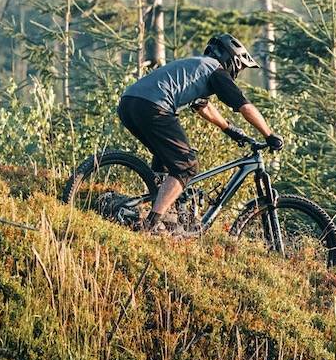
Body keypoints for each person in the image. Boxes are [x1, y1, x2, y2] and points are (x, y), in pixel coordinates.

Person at [117, 33, 283, 232]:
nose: (237, 72)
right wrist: (269, 135)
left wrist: (230, 130)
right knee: (186, 166)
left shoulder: (198, 66)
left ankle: (168, 215)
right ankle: (151, 223)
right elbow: (244, 106)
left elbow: (203, 106)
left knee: (168, 158)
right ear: (232, 60)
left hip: (129, 103)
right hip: (154, 106)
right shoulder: (216, 70)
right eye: (239, 66)